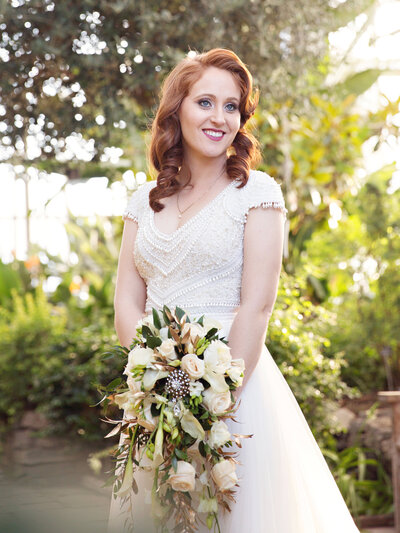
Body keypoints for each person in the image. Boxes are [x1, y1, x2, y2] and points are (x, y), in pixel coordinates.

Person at [107, 48, 360, 533]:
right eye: (205, 102)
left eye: (231, 106)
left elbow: (257, 303)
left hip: (235, 388)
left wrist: (214, 398)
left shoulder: (258, 193)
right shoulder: (143, 201)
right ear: (177, 109)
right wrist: (157, 381)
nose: (219, 117)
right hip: (156, 394)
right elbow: (126, 299)